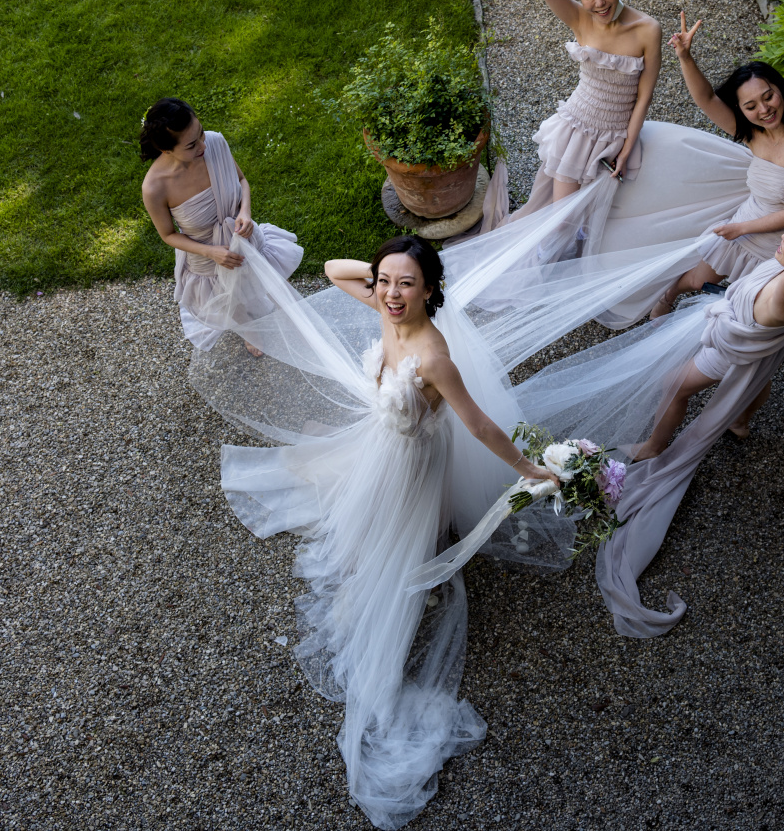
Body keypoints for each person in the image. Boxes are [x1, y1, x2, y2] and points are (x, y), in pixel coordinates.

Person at [212, 236, 558, 830]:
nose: (391, 295)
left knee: (397, 535)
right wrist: (382, 276)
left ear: (431, 290)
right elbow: (329, 267)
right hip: (381, 446)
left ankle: (408, 575)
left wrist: (530, 471)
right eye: (386, 283)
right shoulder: (384, 306)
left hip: (412, 461)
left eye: (406, 285)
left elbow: (478, 424)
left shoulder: (434, 354)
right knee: (364, 520)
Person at [514, 212, 784, 636]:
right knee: (757, 382)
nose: (783, 238)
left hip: (727, 350)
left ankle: (656, 446)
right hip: (757, 350)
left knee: (674, 387)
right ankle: (742, 421)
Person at [472, 0, 661, 216]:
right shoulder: (580, 20)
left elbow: (644, 95)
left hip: (615, 136)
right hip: (577, 130)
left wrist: (628, 147)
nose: (599, 2)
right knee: (561, 221)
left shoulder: (648, 30)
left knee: (603, 220)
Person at [648, 17, 784, 318]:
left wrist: (741, 228)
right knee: (697, 280)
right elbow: (706, 99)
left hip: (779, 242)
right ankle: (669, 294)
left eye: (768, 96)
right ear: (742, 110)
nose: (764, 109)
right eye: (751, 106)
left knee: (745, 308)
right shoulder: (753, 132)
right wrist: (685, 56)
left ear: (779, 89)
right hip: (745, 222)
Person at [139, 97, 302, 353]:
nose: (204, 145)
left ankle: (262, 314)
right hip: (207, 258)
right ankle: (249, 330)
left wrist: (245, 212)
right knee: (230, 301)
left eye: (201, 133)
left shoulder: (215, 142)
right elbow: (168, 235)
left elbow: (242, 179)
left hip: (245, 237)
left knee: (255, 280)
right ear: (166, 150)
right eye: (192, 144)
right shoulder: (154, 187)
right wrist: (211, 252)